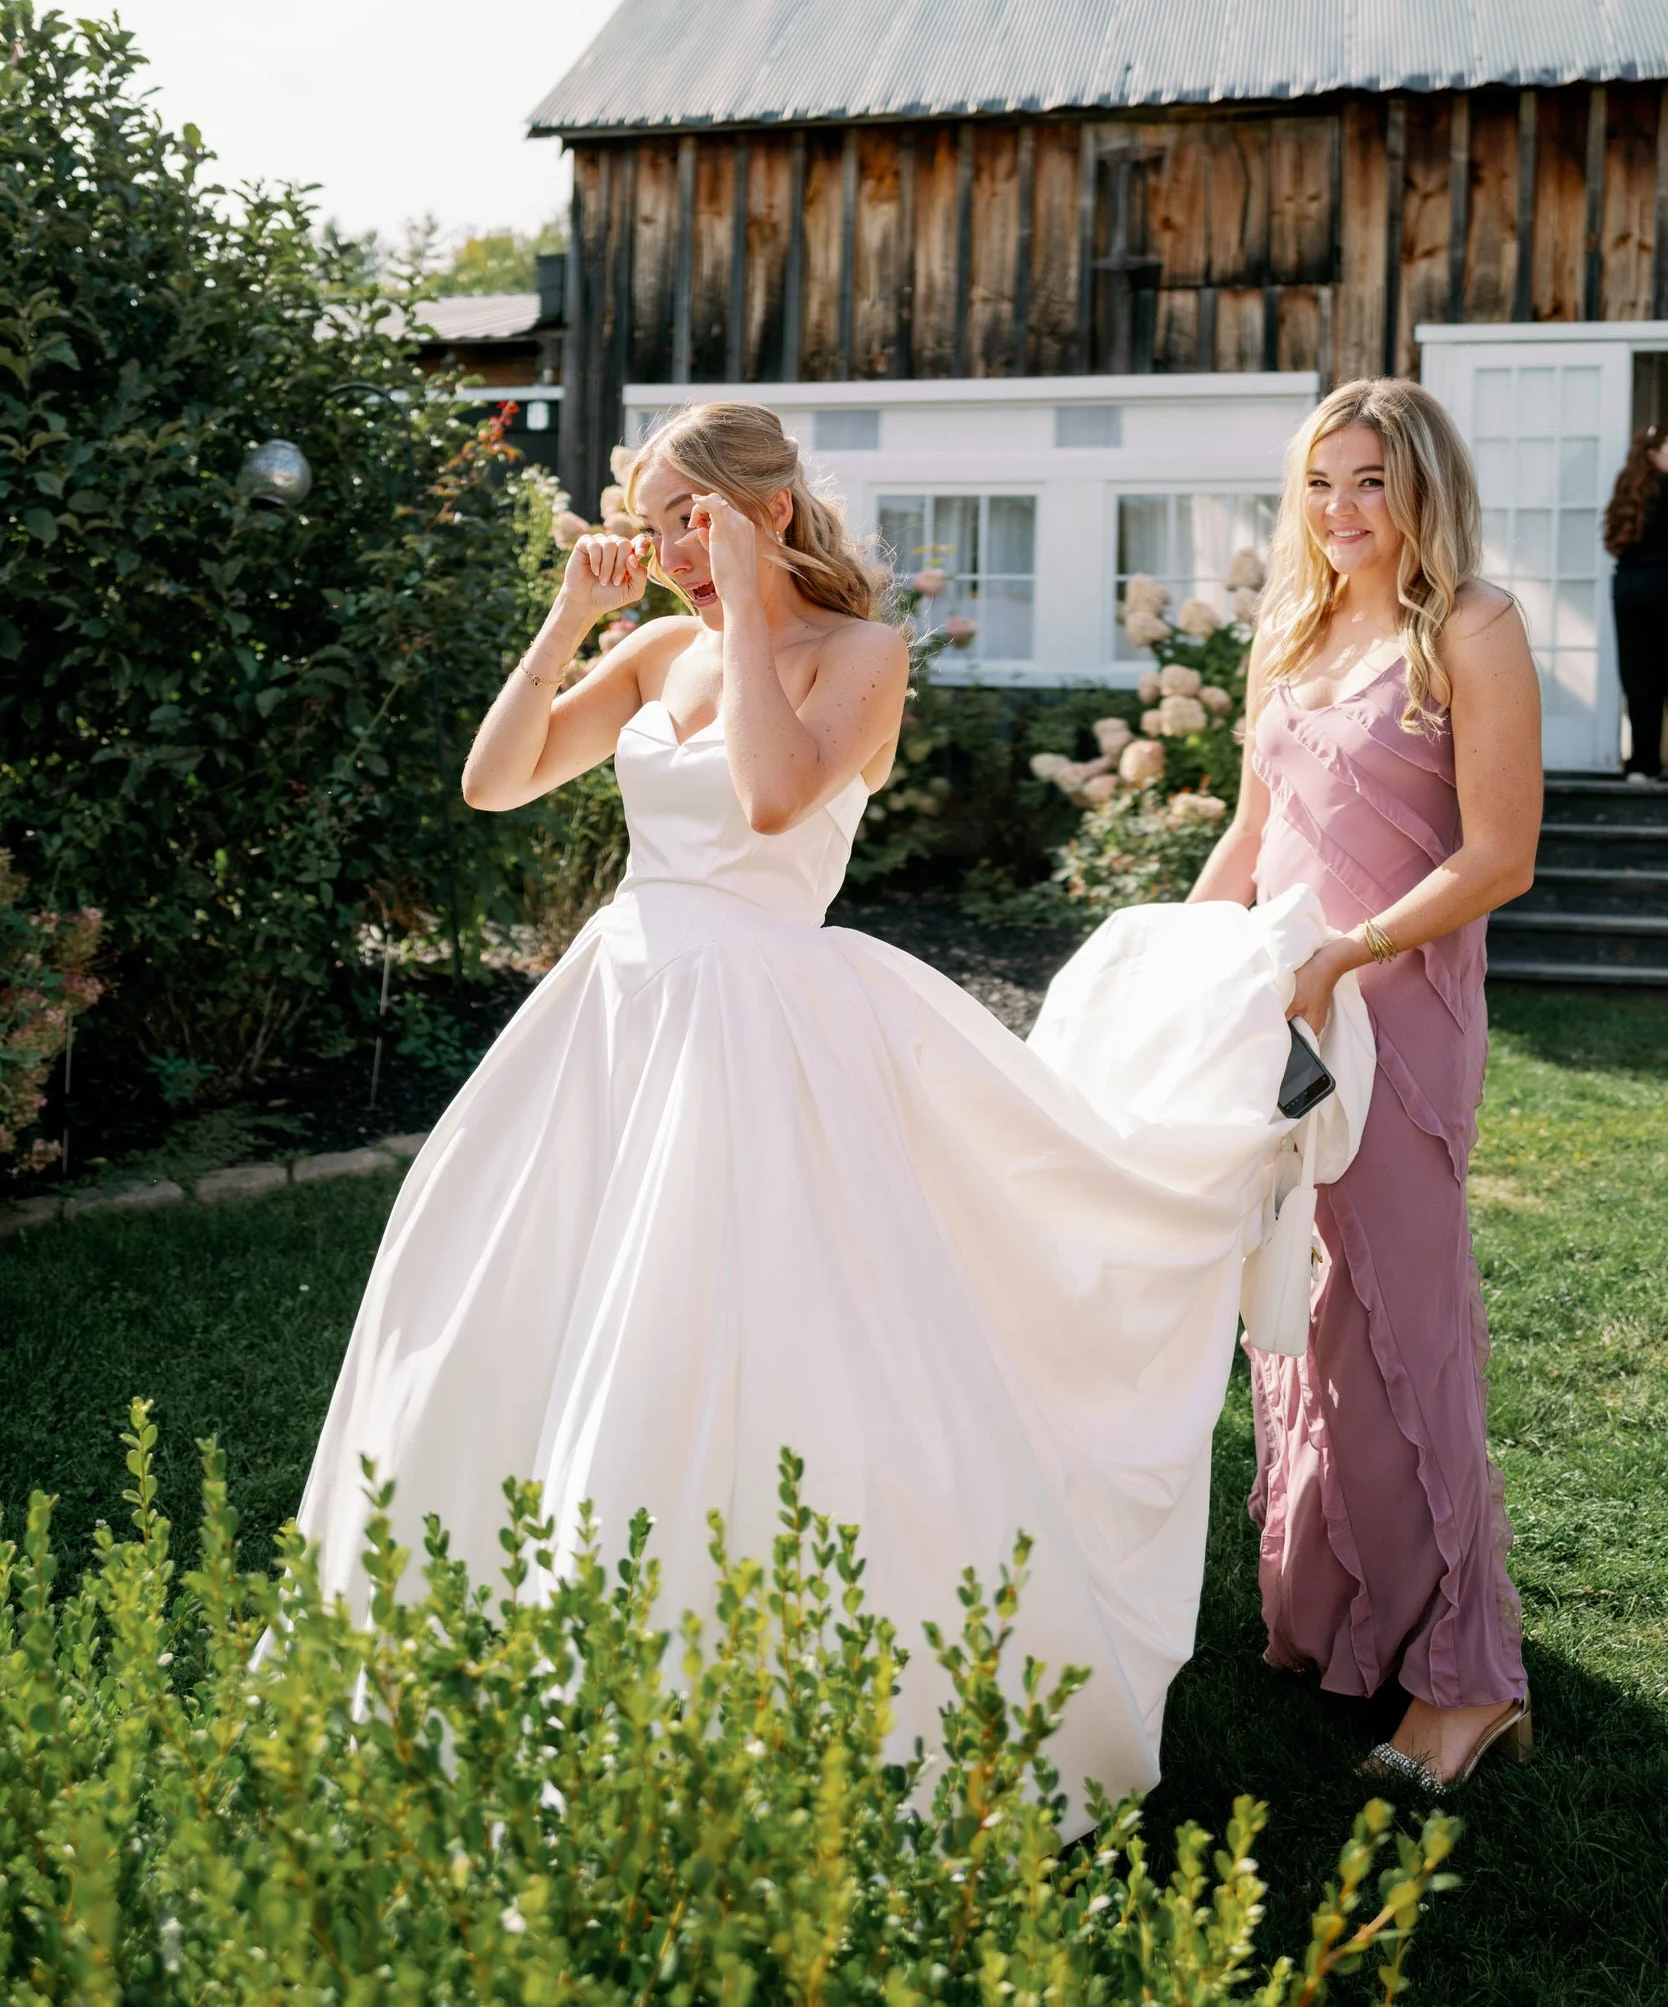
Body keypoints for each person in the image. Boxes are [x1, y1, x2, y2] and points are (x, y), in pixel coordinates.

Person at [292, 399, 1339, 1824]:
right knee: (536, 1302)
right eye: (648, 519)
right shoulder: (656, 647)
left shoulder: (861, 655)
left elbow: (779, 801)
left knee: (766, 1324)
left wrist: (738, 607)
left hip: (767, 1019)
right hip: (618, 1011)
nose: (660, 547)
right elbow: (496, 782)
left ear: (765, 513)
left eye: (685, 519)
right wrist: (568, 618)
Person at [1190, 377, 1541, 1791]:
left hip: (1392, 1014)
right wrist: (1178, 962)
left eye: (1372, 483)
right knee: (1297, 1315)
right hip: (1283, 1006)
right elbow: (1250, 833)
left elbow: (1501, 856)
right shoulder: (1294, 628)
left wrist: (1349, 952)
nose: (1344, 511)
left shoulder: (1472, 627)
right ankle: (1341, 1625)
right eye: (1323, 482)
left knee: (1403, 1328)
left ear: (1423, 488)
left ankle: (1467, 1683)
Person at [1603, 422, 1668, 782]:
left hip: (1628, 587)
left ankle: (1642, 765)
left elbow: (1614, 540)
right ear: (1654, 452)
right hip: (1662, 585)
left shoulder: (1627, 487)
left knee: (1639, 676)